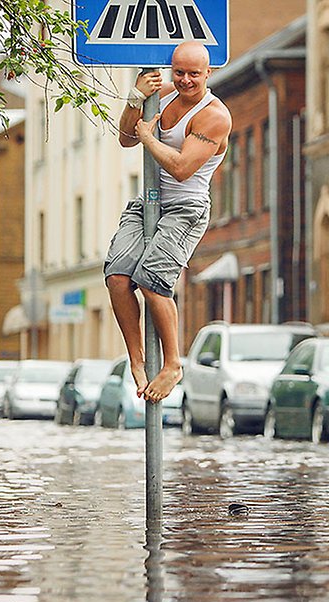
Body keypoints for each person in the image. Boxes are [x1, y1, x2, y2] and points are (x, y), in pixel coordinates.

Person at [105, 42, 232, 403]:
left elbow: (180, 168)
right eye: (180, 73)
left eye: (194, 74)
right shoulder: (160, 93)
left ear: (209, 73)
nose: (186, 80)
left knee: (152, 281)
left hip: (186, 207)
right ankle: (137, 359)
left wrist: (149, 136)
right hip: (149, 201)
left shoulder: (215, 116)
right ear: (171, 70)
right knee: (117, 276)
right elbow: (126, 138)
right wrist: (135, 99)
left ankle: (173, 363)